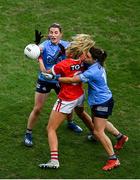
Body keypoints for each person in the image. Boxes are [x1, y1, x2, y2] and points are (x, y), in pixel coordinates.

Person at [57, 46, 128, 170]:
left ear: (94, 59)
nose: (85, 57)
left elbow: (73, 79)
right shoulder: (96, 64)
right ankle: (120, 137)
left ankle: (113, 159)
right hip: (101, 101)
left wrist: (57, 78)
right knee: (99, 123)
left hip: (102, 103)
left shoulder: (92, 71)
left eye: (88, 56)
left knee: (97, 131)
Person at [39, 34, 95, 169]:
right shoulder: (83, 61)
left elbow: (46, 72)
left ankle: (54, 161)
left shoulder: (62, 64)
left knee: (51, 128)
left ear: (72, 51)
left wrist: (39, 58)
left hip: (66, 99)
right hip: (79, 95)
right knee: (81, 113)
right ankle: (96, 133)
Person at [24, 23, 83, 147]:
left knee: (68, 105)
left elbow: (80, 52)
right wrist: (34, 46)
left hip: (60, 80)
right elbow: (34, 51)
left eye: (56, 32)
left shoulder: (67, 45)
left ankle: (70, 122)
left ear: (61, 34)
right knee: (38, 108)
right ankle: (28, 133)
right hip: (44, 80)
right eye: (51, 32)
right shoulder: (44, 45)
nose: (53, 35)